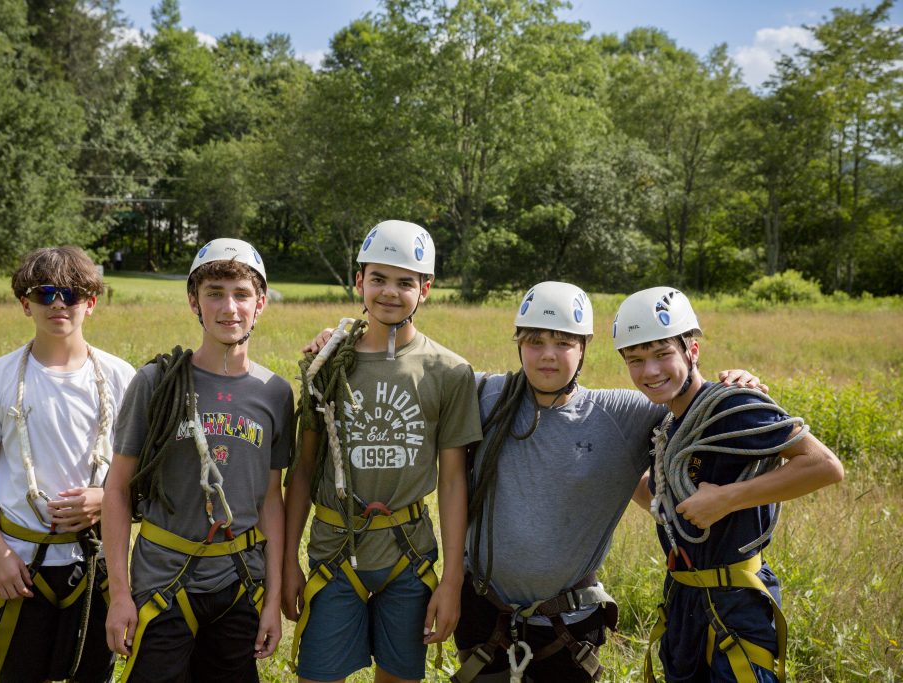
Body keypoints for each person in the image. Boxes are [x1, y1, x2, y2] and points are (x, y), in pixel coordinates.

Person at [452, 282, 764, 683]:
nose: (548, 354)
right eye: (534, 341)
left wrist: (735, 387)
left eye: (564, 342)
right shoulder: (482, 395)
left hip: (567, 624)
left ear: (584, 348)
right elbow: (418, 373)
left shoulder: (623, 414)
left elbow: (687, 398)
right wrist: (347, 340)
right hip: (483, 615)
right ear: (518, 345)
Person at [282, 220, 483, 683]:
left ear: (425, 289)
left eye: (405, 282)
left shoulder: (448, 371)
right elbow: (303, 468)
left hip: (408, 556)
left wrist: (451, 581)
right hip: (334, 551)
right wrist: (288, 560)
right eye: (378, 278)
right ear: (359, 281)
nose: (390, 292)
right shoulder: (326, 365)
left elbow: (453, 481)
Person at [611, 286, 844, 683]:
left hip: (737, 604)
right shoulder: (667, 424)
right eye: (636, 360)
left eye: (663, 354)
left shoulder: (732, 405)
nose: (650, 371)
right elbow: (667, 504)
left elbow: (824, 466)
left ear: (693, 351)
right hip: (684, 600)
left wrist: (726, 500)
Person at [102, 238, 293, 683]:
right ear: (194, 301)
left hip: (238, 582)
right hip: (163, 583)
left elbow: (271, 500)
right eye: (215, 293)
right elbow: (116, 489)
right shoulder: (157, 382)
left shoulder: (275, 392)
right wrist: (119, 595)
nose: (230, 307)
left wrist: (271, 601)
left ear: (260, 302)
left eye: (242, 294)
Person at [0, 246, 135, 683]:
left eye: (72, 294)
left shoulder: (119, 377)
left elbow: (138, 473)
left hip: (96, 562)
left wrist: (103, 498)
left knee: (92, 672)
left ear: (90, 303)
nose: (59, 303)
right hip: (21, 567)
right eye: (45, 293)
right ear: (25, 303)